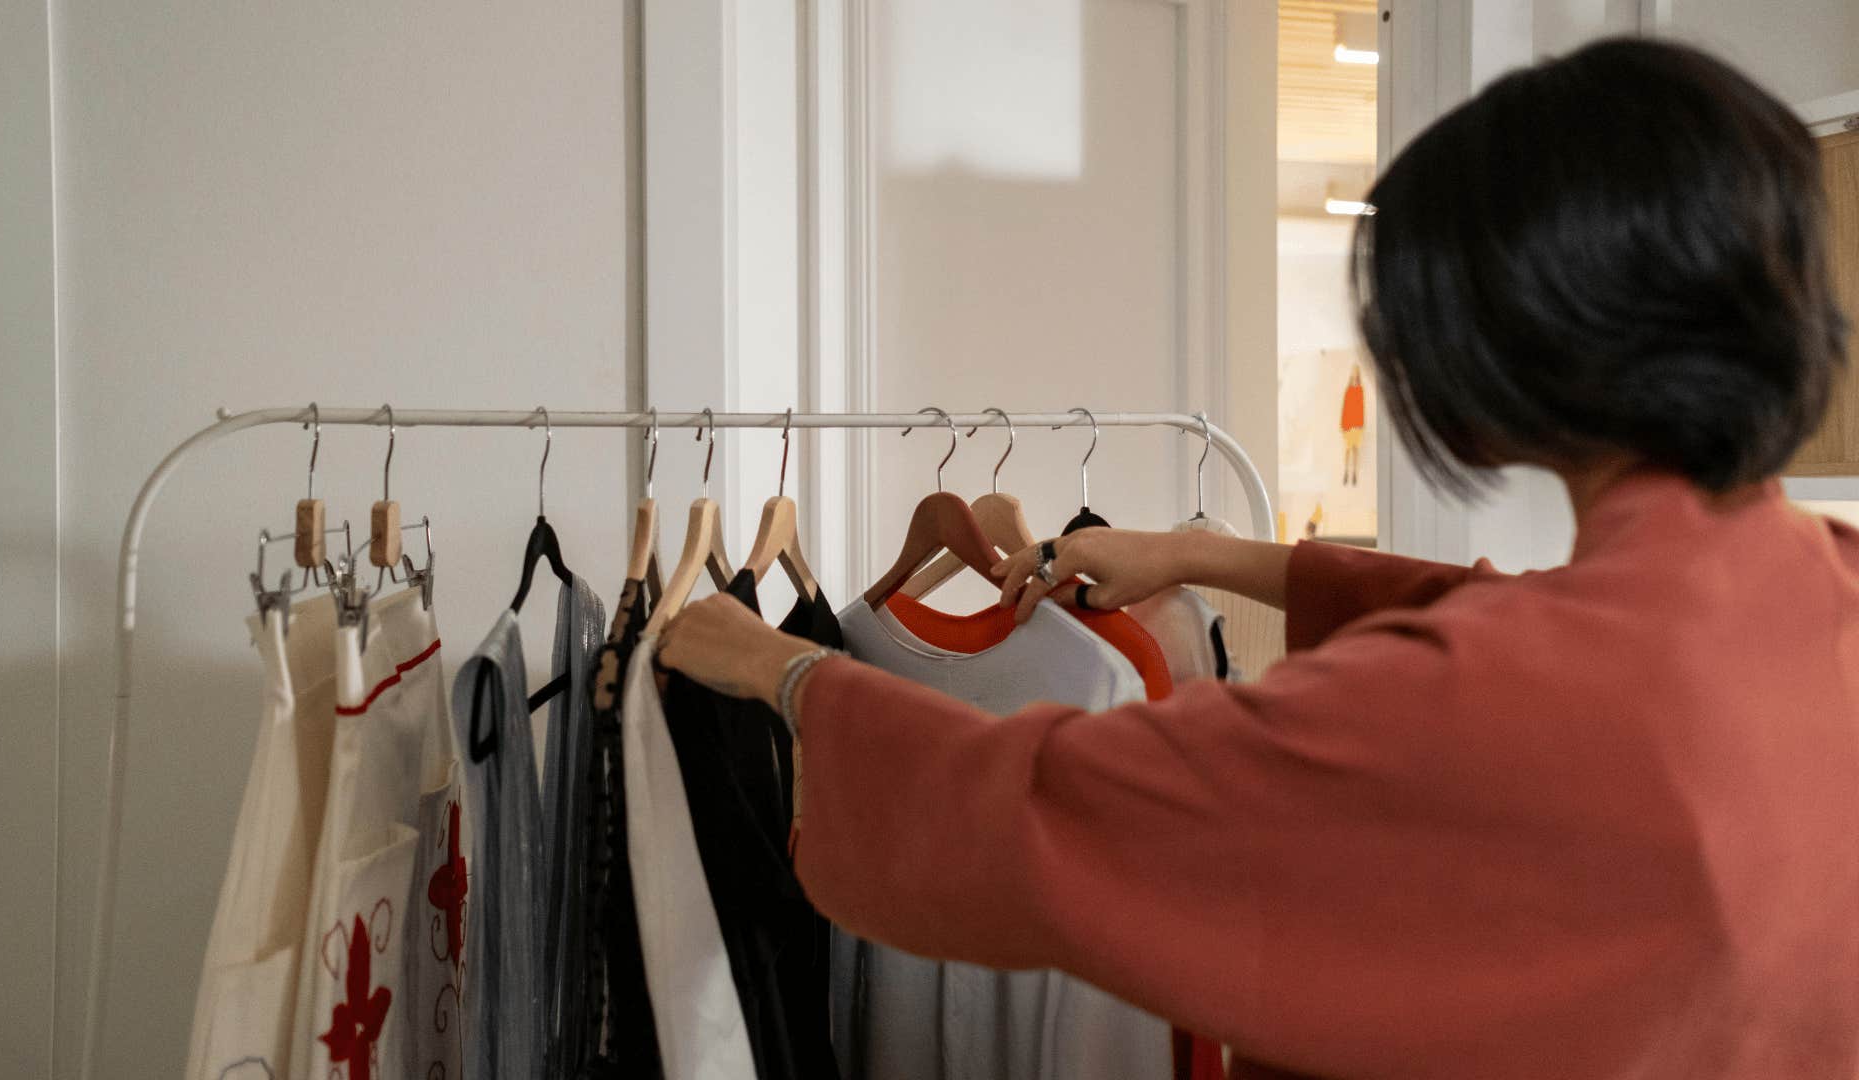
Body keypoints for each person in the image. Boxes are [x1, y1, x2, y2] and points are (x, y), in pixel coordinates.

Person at [655, 38, 1856, 1079]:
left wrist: (786, 674)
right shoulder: (1824, 590)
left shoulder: (1449, 714)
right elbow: (1527, 617)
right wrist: (1202, 555)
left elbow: (1044, 811)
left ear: (1511, 356)